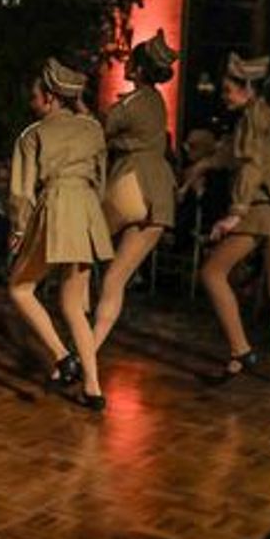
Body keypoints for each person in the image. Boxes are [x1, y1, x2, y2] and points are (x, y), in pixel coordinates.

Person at [183, 53, 270, 392]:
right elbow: (232, 154)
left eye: (229, 90)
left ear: (248, 89)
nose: (224, 95)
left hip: (263, 205)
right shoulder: (268, 117)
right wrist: (200, 168)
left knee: (212, 272)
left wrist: (235, 212)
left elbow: (251, 167)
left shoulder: (254, 120)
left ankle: (241, 350)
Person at [6, 59, 114, 411]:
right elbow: (100, 177)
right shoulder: (92, 129)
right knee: (73, 304)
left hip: (55, 208)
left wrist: (19, 229)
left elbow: (21, 193)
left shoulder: (33, 134)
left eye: (36, 97)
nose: (33, 103)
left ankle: (63, 356)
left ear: (51, 98)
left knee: (19, 288)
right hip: (85, 211)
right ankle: (93, 387)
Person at [93, 31, 180, 351]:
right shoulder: (158, 103)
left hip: (133, 182)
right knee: (116, 279)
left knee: (83, 246)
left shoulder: (134, 100)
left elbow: (102, 129)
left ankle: (75, 331)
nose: (127, 64)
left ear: (140, 70)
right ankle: (90, 344)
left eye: (132, 61)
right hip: (160, 192)